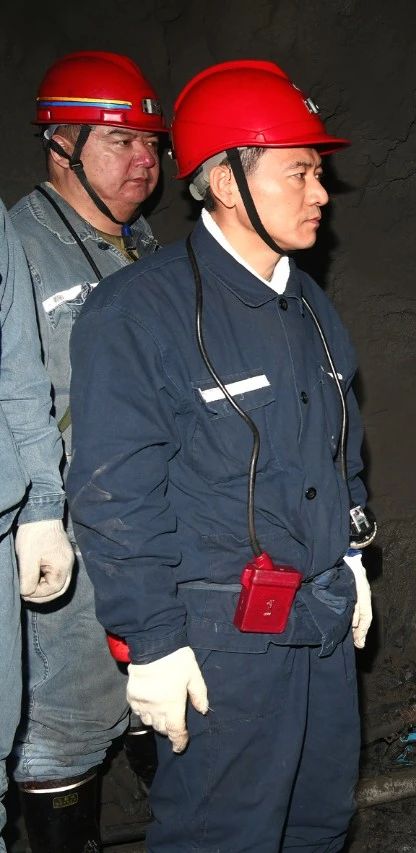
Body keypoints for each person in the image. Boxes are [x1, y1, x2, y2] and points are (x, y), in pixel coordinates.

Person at [66, 60, 374, 851]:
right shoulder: (140, 311)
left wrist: (352, 547)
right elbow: (115, 495)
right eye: (300, 171)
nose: (321, 193)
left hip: (320, 618)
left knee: (318, 823)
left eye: (318, 172)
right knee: (223, 835)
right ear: (230, 182)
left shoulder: (308, 301)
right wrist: (152, 641)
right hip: (221, 639)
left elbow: (340, 444)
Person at [7, 51, 165, 850]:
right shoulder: (20, 249)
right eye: (119, 141)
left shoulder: (142, 243)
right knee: (63, 719)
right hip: (62, 532)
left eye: (151, 143)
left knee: (157, 691)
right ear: (60, 145)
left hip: (146, 525)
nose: (144, 160)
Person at [0, 198, 75, 851]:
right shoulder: (31, 232)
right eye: (121, 146)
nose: (145, 159)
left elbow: (18, 376)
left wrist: (43, 505)